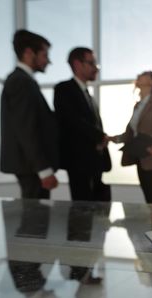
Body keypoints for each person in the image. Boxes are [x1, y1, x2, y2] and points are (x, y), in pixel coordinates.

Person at [0, 29, 59, 199]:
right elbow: (26, 130)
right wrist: (43, 170)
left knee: (34, 220)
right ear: (28, 52)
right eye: (45, 54)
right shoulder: (20, 82)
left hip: (30, 166)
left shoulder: (23, 81)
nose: (48, 61)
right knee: (35, 220)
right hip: (31, 167)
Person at [54, 47, 112, 202]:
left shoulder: (88, 95)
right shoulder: (64, 89)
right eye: (92, 63)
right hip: (79, 162)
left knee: (98, 213)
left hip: (95, 161)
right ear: (78, 64)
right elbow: (72, 120)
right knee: (82, 211)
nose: (96, 68)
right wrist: (100, 137)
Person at [113, 71, 152, 204]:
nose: (139, 75)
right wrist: (111, 139)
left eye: (145, 74)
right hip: (141, 159)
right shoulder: (138, 106)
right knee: (150, 202)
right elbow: (130, 133)